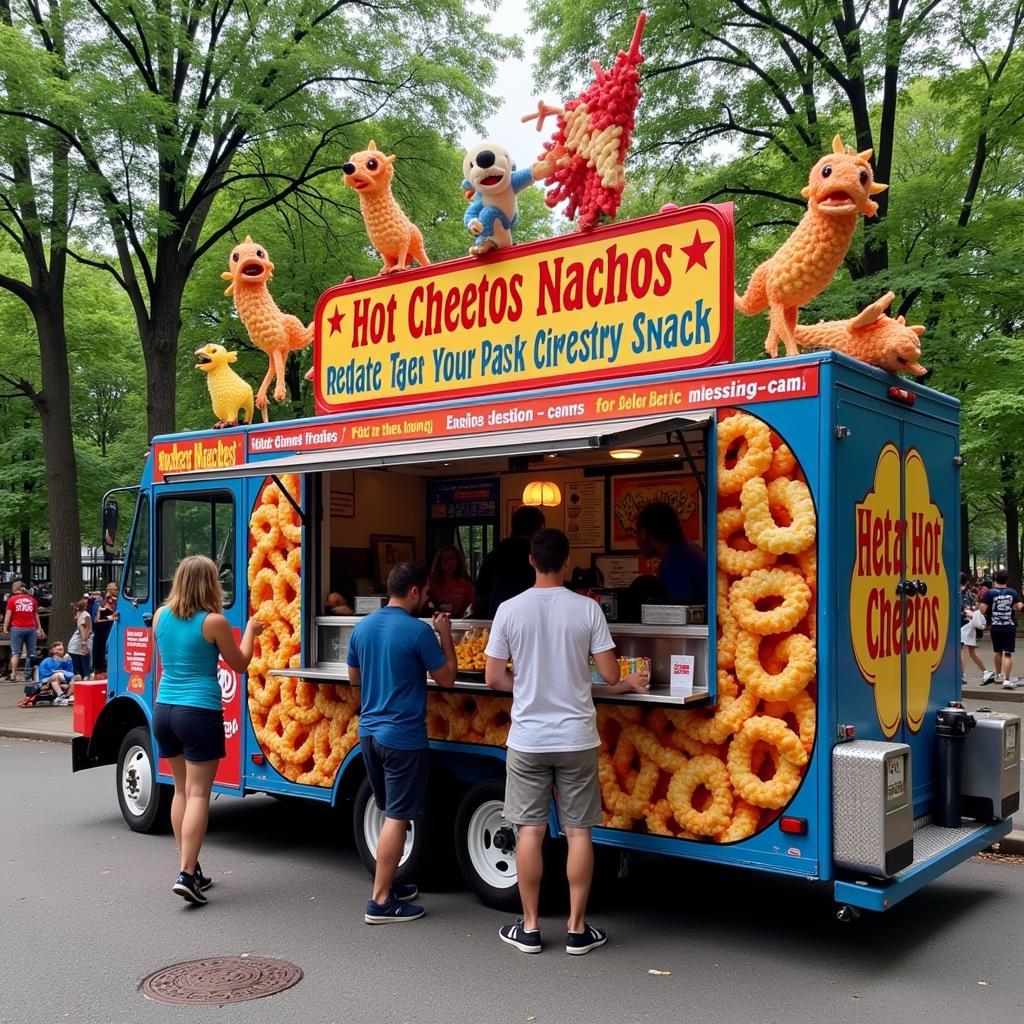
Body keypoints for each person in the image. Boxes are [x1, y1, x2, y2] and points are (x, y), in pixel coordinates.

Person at [484, 528, 649, 956]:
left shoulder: (508, 610)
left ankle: (532, 927)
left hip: (529, 738)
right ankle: (577, 929)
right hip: (576, 737)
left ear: (530, 561)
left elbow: (493, 677)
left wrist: (527, 681)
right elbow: (611, 676)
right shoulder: (587, 609)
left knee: (530, 833)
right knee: (579, 834)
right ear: (568, 561)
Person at [346, 562, 457, 924]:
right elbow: (448, 680)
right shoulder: (417, 631)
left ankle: (390, 884)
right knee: (397, 816)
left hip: (369, 733)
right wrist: (445, 635)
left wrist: (364, 701)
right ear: (414, 592)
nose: (427, 597)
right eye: (425, 592)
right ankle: (380, 900)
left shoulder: (363, 628)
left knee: (388, 810)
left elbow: (353, 674)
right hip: (402, 738)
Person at [153, 554, 264, 905]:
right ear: (210, 584)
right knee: (200, 794)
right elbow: (241, 663)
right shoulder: (213, 622)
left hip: (164, 709)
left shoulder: (160, 616)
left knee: (181, 791)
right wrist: (250, 631)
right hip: (198, 711)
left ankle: (190, 866)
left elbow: (168, 662)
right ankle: (186, 874)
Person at [474, 506, 545, 618]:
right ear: (537, 530)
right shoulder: (537, 556)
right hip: (528, 617)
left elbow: (481, 596)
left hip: (498, 617)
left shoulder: (495, 554)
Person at [635, 501, 707, 604]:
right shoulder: (686, 550)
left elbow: (678, 611)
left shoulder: (676, 561)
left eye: (637, 533)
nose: (636, 541)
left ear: (644, 533)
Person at [979, 570, 1024, 689]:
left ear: (994, 579)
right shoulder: (1012, 592)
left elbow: (982, 610)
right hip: (1009, 626)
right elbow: (1020, 606)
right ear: (1007, 580)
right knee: (1008, 654)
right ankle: (1007, 679)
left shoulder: (989, 593)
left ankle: (998, 674)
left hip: (995, 626)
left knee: (998, 652)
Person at [2, 579, 46, 682]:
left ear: (16, 589)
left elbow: (8, 615)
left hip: (17, 628)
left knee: (16, 652)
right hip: (31, 628)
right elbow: (36, 614)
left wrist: (5, 627)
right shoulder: (32, 600)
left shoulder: (12, 600)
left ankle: (13, 673)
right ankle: (28, 674)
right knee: (31, 652)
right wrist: (39, 627)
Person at [427, 546, 476, 618]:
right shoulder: (431, 584)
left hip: (460, 623)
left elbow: (472, 607)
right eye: (446, 560)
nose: (450, 563)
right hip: (437, 621)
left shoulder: (466, 585)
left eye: (452, 558)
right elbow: (426, 603)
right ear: (440, 563)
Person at [960, 572, 985, 683]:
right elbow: (976, 606)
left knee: (960, 649)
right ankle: (985, 671)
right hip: (970, 623)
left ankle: (961, 675)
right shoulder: (970, 593)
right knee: (971, 650)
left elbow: (960, 609)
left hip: (962, 623)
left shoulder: (958, 593)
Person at [67, 598, 93, 680]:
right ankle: (85, 688)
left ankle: (78, 688)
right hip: (79, 647)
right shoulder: (86, 615)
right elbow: (85, 630)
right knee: (86, 671)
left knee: (78, 672)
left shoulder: (82, 615)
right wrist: (84, 643)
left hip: (74, 647)